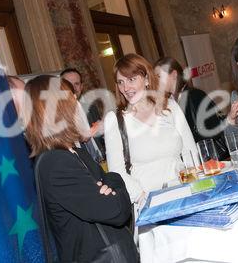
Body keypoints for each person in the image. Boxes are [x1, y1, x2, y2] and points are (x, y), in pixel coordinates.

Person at [23, 75, 137, 262]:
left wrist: (109, 186)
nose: (77, 100)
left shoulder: (76, 152)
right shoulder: (55, 163)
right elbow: (115, 211)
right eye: (71, 98)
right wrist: (114, 179)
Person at [104, 54, 198, 204]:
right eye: (120, 82)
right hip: (148, 199)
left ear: (147, 79)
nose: (125, 88)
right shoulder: (114, 120)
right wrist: (143, 198)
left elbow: (190, 151)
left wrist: (194, 186)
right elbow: (117, 171)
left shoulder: (170, 107)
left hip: (185, 191)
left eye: (131, 79)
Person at [154, 57, 228, 160]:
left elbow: (212, 128)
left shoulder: (195, 95)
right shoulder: (171, 102)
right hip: (194, 160)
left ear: (174, 75)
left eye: (158, 76)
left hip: (211, 159)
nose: (156, 81)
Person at [60, 68, 105, 162]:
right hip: (80, 165)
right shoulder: (57, 116)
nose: (73, 88)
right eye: (68, 84)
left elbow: (100, 136)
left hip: (101, 160)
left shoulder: (90, 107)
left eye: (76, 84)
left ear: (81, 87)